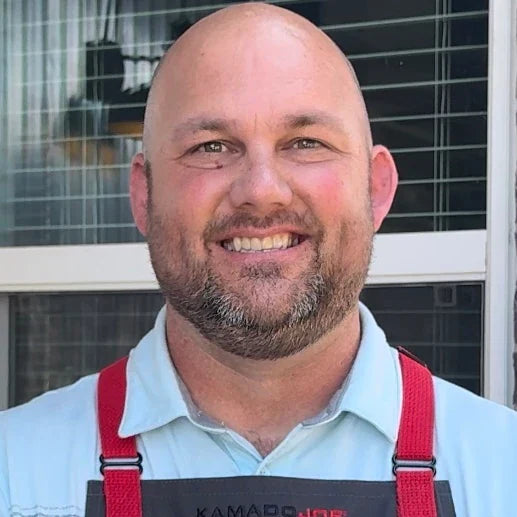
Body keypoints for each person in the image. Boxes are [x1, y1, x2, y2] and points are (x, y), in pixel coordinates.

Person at [1, 3, 516, 517]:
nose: (261, 191)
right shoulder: (15, 474)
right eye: (211, 147)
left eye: (306, 142)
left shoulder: (503, 471)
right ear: (144, 196)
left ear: (376, 188)